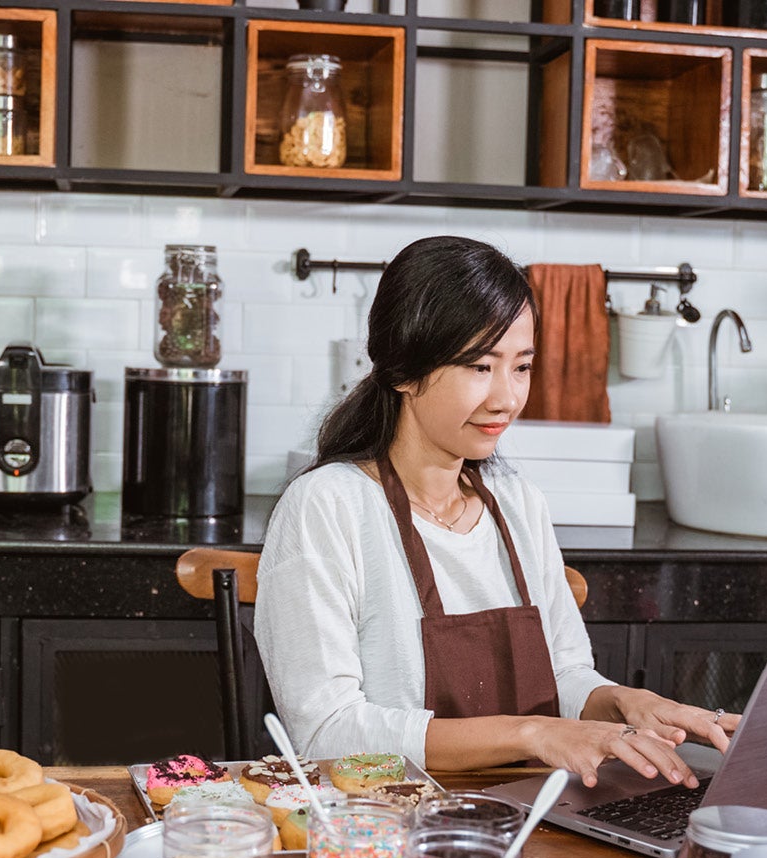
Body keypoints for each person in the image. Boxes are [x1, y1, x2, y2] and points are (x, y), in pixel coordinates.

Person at [255, 236, 737, 789]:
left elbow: (565, 676)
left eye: (522, 367)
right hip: (391, 829)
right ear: (401, 371)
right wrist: (530, 734)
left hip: (533, 819)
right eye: (480, 366)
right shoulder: (328, 507)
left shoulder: (517, 503)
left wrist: (623, 704)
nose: (506, 398)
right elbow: (326, 734)